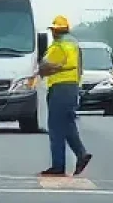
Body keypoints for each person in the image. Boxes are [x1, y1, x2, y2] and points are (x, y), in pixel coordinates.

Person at [39, 14, 92, 177]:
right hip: (72, 87)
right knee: (68, 124)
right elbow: (79, 67)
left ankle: (58, 166)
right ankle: (81, 154)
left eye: (54, 30)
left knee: (55, 128)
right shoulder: (74, 44)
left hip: (59, 88)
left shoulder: (58, 46)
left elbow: (44, 66)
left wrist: (41, 68)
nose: (53, 33)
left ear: (56, 31)